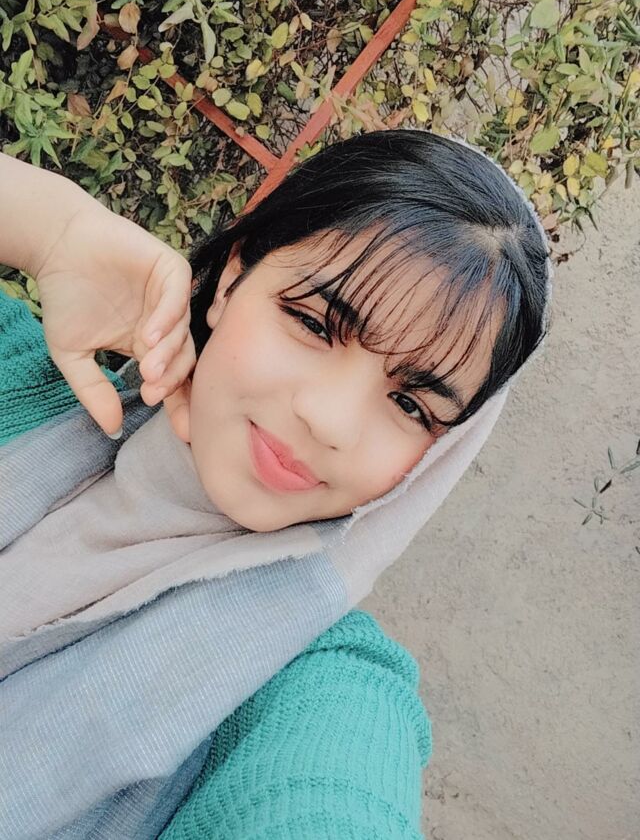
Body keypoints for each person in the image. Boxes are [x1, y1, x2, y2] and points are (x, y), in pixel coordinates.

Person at [0, 129, 551, 838]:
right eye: (315, 323)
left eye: (411, 405)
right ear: (232, 280)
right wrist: (55, 229)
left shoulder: (311, 681)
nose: (330, 420)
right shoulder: (18, 380)